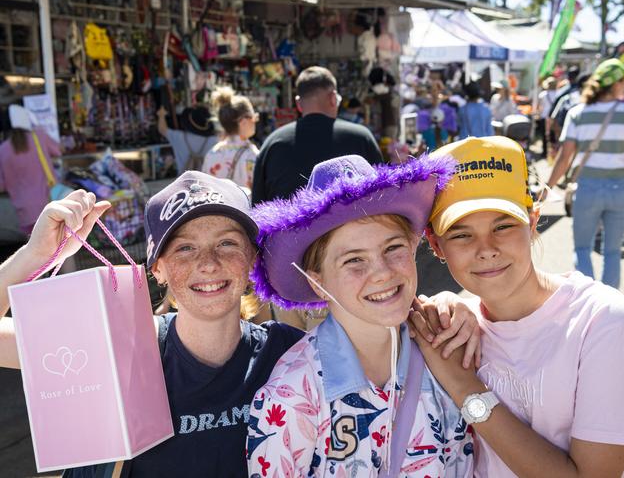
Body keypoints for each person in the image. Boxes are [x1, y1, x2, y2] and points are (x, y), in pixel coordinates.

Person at [0, 173, 476, 477]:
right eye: (184, 248)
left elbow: (367, 314)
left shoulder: (289, 357)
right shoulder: (118, 351)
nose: (208, 263)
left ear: (252, 260)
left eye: (228, 243)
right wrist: (30, 258)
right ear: (157, 268)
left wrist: (441, 307)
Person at [412, 135, 624, 477]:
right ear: (436, 245)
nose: (486, 248)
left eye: (503, 226)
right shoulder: (452, 327)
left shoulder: (603, 321)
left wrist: (465, 387)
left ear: (533, 221)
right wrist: (447, 303)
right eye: (462, 234)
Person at [247, 154, 474, 477]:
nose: (382, 273)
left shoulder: (447, 349)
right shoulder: (291, 396)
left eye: (393, 248)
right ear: (318, 281)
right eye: (354, 260)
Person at [546, 59, 624, 288]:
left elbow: (565, 158)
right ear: (616, 84)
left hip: (588, 188)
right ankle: (610, 307)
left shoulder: (577, 114)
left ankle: (587, 301)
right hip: (620, 188)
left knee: (582, 248)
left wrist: (547, 188)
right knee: (612, 251)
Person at [251, 66, 383, 205]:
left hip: (288, 227)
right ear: (333, 98)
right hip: (350, 226)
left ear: (298, 103)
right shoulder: (361, 138)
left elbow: (258, 208)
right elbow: (382, 194)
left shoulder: (272, 143)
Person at [0, 104, 61, 235]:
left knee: (38, 249)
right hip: (48, 203)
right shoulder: (39, 137)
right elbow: (58, 150)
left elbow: (2, 186)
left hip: (24, 212)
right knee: (59, 247)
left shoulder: (2, 150)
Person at [201, 86, 259, 190]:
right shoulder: (251, 154)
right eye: (254, 117)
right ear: (243, 122)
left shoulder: (212, 153)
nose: (255, 121)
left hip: (218, 206)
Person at [157, 104, 219, 173]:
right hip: (206, 181)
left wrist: (161, 115)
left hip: (184, 181)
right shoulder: (214, 140)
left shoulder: (179, 137)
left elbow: (162, 129)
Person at [538, 76, 558, 158]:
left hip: (544, 117)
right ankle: (553, 153)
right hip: (554, 118)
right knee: (553, 136)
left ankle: (544, 152)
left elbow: (540, 107)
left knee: (544, 136)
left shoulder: (543, 95)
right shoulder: (559, 94)